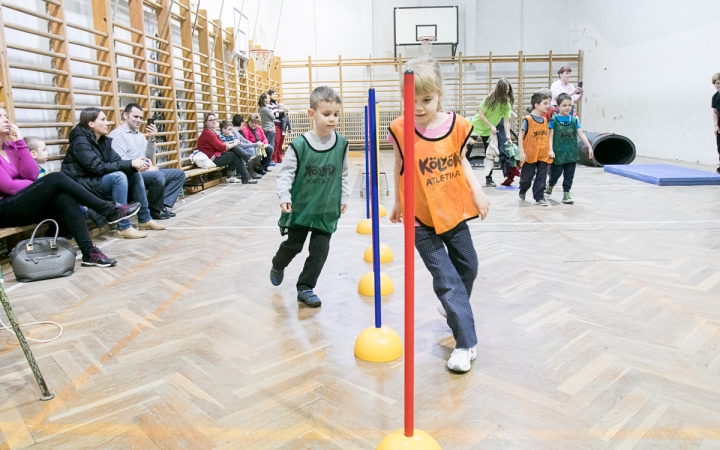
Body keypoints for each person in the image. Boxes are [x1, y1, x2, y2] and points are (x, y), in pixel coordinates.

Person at [388, 57, 490, 374]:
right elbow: (398, 166)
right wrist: (397, 202)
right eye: (412, 101)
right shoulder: (401, 129)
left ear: (440, 94)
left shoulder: (456, 126)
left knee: (469, 268)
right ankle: (464, 344)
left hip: (453, 212)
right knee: (447, 282)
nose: (419, 107)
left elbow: (462, 161)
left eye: (426, 100)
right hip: (420, 220)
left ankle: (453, 307)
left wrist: (477, 190)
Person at [0, 107, 140, 267]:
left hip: (24, 203)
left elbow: (31, 174)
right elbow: (9, 187)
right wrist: (32, 185)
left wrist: (19, 142)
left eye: (6, 115)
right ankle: (108, 210)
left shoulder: (12, 146)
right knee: (56, 178)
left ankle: (90, 253)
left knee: (64, 199)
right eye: (0, 116)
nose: (6, 119)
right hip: (4, 209)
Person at [269, 86, 350, 308]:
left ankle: (305, 287)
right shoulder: (299, 145)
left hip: (326, 208)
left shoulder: (341, 144)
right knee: (294, 246)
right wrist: (284, 195)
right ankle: (278, 263)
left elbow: (343, 173)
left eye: (336, 114)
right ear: (311, 114)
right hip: (301, 207)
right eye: (326, 114)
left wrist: (344, 197)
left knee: (320, 252)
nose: (332, 119)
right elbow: (285, 173)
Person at [62, 107, 165, 238]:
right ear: (91, 124)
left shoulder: (102, 140)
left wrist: (134, 164)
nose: (107, 123)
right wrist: (129, 163)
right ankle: (124, 227)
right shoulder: (80, 142)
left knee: (133, 172)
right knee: (119, 176)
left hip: (94, 180)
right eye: (103, 119)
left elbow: (116, 160)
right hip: (80, 184)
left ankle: (145, 218)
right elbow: (96, 168)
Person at [109, 104, 186, 220]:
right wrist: (143, 167)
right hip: (131, 174)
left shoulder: (139, 135)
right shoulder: (117, 135)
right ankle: (154, 210)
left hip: (145, 170)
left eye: (141, 118)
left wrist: (151, 138)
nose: (139, 120)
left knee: (179, 174)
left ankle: (160, 206)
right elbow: (121, 161)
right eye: (136, 116)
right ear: (125, 115)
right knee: (158, 176)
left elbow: (149, 155)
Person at [546, 93, 593, 204]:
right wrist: (550, 150)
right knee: (555, 174)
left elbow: (581, 134)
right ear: (558, 107)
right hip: (558, 153)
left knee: (569, 175)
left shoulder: (574, 120)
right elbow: (550, 136)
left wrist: (589, 146)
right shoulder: (553, 120)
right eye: (564, 105)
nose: (567, 108)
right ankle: (550, 185)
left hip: (571, 154)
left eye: (569, 105)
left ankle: (566, 193)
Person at [469, 78, 514, 187]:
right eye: (505, 90)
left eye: (508, 90)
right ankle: (463, 178)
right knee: (466, 152)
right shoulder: (489, 99)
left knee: (489, 155)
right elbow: (481, 115)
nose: (507, 92)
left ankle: (488, 178)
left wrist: (508, 137)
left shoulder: (506, 104)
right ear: (499, 89)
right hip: (476, 127)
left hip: (488, 131)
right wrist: (491, 125)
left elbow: (506, 123)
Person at [197, 113, 257, 185]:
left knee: (235, 150)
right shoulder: (207, 133)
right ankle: (247, 164)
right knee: (235, 155)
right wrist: (234, 143)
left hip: (216, 154)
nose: (213, 121)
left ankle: (246, 169)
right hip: (211, 158)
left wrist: (233, 142)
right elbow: (221, 147)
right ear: (206, 122)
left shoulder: (213, 132)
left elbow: (222, 143)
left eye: (215, 120)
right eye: (210, 120)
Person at [518, 92, 554, 206]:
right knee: (526, 178)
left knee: (542, 176)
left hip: (542, 154)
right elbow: (520, 135)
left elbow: (547, 136)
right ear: (536, 105)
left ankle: (539, 196)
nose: (548, 106)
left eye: (548, 103)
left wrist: (550, 150)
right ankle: (523, 189)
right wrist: (522, 151)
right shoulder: (528, 119)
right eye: (545, 103)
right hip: (530, 154)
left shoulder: (544, 120)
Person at [268, 89, 288, 163]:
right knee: (276, 141)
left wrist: (284, 113)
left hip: (282, 125)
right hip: (275, 124)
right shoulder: (269, 105)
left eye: (276, 94)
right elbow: (273, 115)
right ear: (269, 96)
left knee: (280, 142)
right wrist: (282, 114)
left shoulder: (277, 103)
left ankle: (279, 157)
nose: (275, 95)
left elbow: (281, 113)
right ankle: (274, 158)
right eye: (273, 94)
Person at [258, 94, 277, 170]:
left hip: (267, 128)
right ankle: (267, 163)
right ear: (265, 99)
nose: (269, 99)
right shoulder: (265, 109)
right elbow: (273, 117)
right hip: (269, 128)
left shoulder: (261, 108)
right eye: (268, 98)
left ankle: (267, 163)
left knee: (269, 145)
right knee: (270, 146)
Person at [712, 72, 720, 173]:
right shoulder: (715, 97)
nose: (718, 85)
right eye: (717, 83)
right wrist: (716, 125)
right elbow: (714, 111)